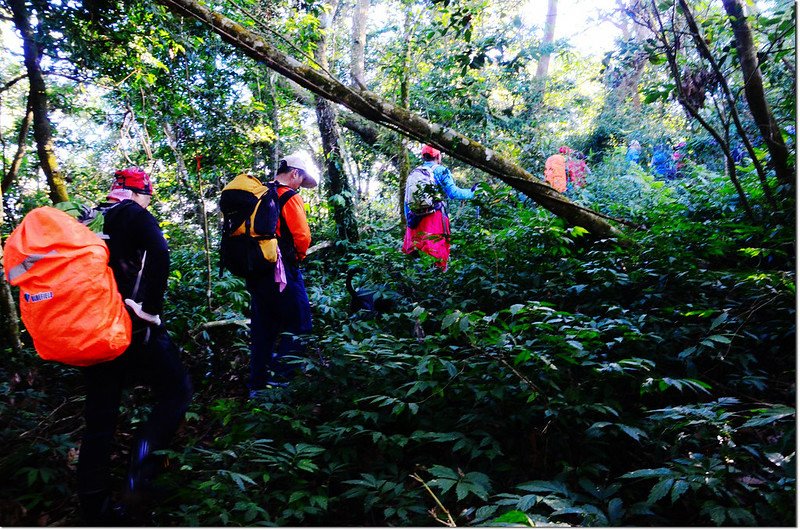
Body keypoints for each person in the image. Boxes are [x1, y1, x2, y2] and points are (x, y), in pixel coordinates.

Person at [78, 167, 192, 524]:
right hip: (132, 330)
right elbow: (159, 253)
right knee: (177, 392)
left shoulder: (88, 219)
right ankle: (139, 479)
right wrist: (149, 310)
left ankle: (94, 508)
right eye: (148, 196)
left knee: (99, 421)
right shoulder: (134, 214)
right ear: (140, 193)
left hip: (92, 334)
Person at [246, 152, 318, 394]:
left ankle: (256, 386)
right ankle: (278, 379)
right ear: (294, 173)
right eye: (301, 179)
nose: (301, 186)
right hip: (282, 270)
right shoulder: (288, 196)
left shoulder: (259, 193)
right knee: (301, 324)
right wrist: (298, 257)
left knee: (263, 328)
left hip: (256, 269)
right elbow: (302, 237)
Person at [401, 144, 476, 271]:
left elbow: (406, 201)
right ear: (437, 156)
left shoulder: (414, 172)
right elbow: (453, 193)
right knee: (437, 255)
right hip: (434, 219)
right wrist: (472, 193)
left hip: (415, 220)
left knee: (417, 259)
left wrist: (410, 222)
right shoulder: (441, 171)